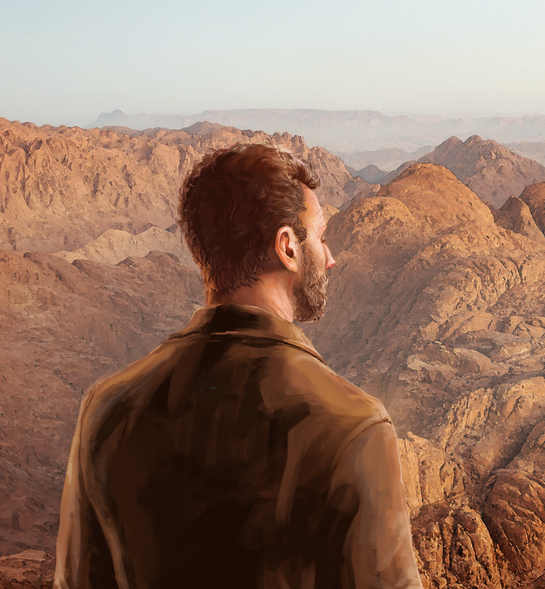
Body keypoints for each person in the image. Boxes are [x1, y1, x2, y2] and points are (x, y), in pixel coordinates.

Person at [55, 144, 423, 588]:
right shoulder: (354, 429)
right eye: (321, 237)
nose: (330, 257)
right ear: (287, 248)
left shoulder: (105, 408)